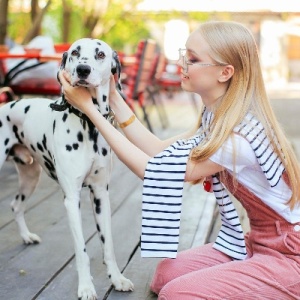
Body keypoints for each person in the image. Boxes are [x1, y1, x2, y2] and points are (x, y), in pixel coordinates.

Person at [59, 21, 300, 299]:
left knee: (177, 293)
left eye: (193, 59)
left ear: (225, 72)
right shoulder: (218, 118)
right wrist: (113, 96)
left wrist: (90, 110)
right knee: (165, 276)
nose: (182, 63)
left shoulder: (239, 137)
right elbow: (160, 151)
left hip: (289, 253)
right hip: (258, 242)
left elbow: (152, 171)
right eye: (184, 54)